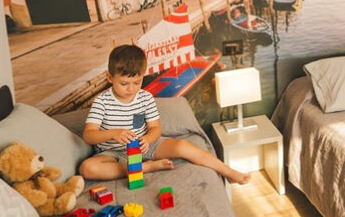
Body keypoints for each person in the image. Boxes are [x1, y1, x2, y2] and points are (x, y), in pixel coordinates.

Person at [79, 44, 250, 185]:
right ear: (110, 77)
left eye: (137, 82)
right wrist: (113, 134)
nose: (131, 89)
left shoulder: (145, 98)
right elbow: (89, 135)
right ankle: (146, 168)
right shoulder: (101, 102)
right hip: (112, 153)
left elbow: (155, 129)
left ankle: (228, 172)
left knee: (182, 145)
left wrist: (148, 139)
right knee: (87, 168)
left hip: (144, 147)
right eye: (124, 83)